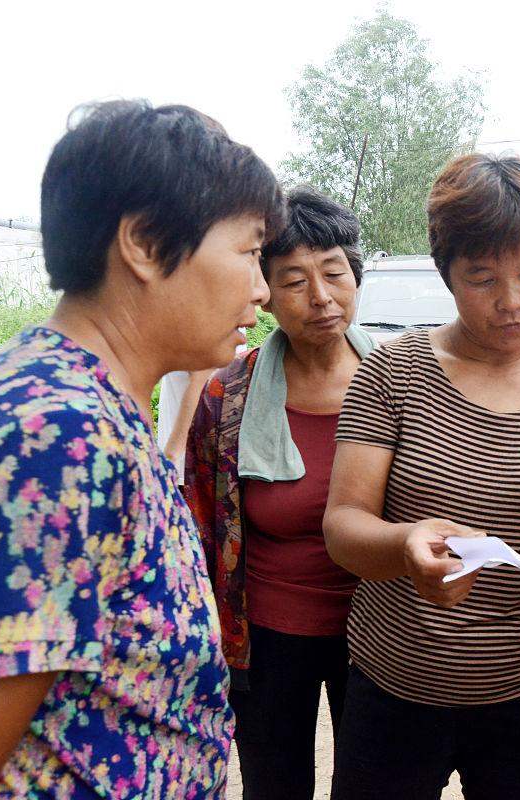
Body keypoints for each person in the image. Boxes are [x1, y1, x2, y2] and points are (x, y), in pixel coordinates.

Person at [0, 99, 283, 799]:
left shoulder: (96, 406)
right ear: (141, 242)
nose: (262, 289)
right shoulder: (56, 438)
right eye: (251, 251)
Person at [323, 152, 520, 800]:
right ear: (447, 275)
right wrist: (405, 548)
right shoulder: (391, 373)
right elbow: (343, 528)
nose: (512, 301)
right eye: (483, 276)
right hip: (393, 689)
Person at [183, 185, 373, 799]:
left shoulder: (405, 383)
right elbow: (200, 522)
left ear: (355, 275)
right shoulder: (226, 397)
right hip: (266, 635)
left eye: (334, 273)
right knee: (273, 784)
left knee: (375, 782)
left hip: (376, 630)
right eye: (293, 280)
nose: (320, 298)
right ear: (264, 292)